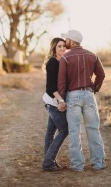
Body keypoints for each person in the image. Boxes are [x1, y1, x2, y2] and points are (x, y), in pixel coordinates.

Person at [57, 30, 106, 172]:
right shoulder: (93, 55)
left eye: (66, 39)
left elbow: (61, 82)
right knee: (93, 130)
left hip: (72, 96)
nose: (65, 41)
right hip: (89, 95)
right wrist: (94, 89)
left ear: (72, 41)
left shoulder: (65, 58)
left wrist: (62, 99)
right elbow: (101, 75)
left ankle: (77, 165)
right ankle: (98, 164)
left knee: (74, 131)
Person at [42, 37, 69, 172]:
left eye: (64, 46)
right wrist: (61, 100)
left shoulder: (62, 61)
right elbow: (51, 86)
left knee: (50, 132)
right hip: (53, 101)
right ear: (54, 48)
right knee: (64, 130)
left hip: (53, 101)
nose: (62, 48)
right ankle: (48, 162)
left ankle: (49, 161)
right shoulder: (53, 62)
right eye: (59, 46)